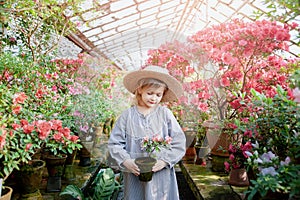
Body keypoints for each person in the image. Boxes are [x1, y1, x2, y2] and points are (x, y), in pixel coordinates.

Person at [108, 65, 186, 200]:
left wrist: (164, 161)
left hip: (160, 174)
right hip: (134, 173)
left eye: (158, 95)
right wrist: (126, 161)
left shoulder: (165, 114)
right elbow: (115, 143)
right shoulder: (127, 116)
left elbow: (179, 142)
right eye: (150, 93)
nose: (154, 98)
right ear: (140, 90)